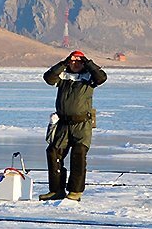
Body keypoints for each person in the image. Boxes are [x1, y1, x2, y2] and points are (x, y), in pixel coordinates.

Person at [40, 50, 107, 201]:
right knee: (53, 153)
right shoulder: (63, 77)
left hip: (82, 125)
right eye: (73, 62)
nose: (75, 64)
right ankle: (56, 190)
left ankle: (75, 192)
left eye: (79, 62)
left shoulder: (89, 78)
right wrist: (63, 63)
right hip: (63, 124)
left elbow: (101, 77)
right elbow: (48, 78)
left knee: (79, 154)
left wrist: (88, 62)